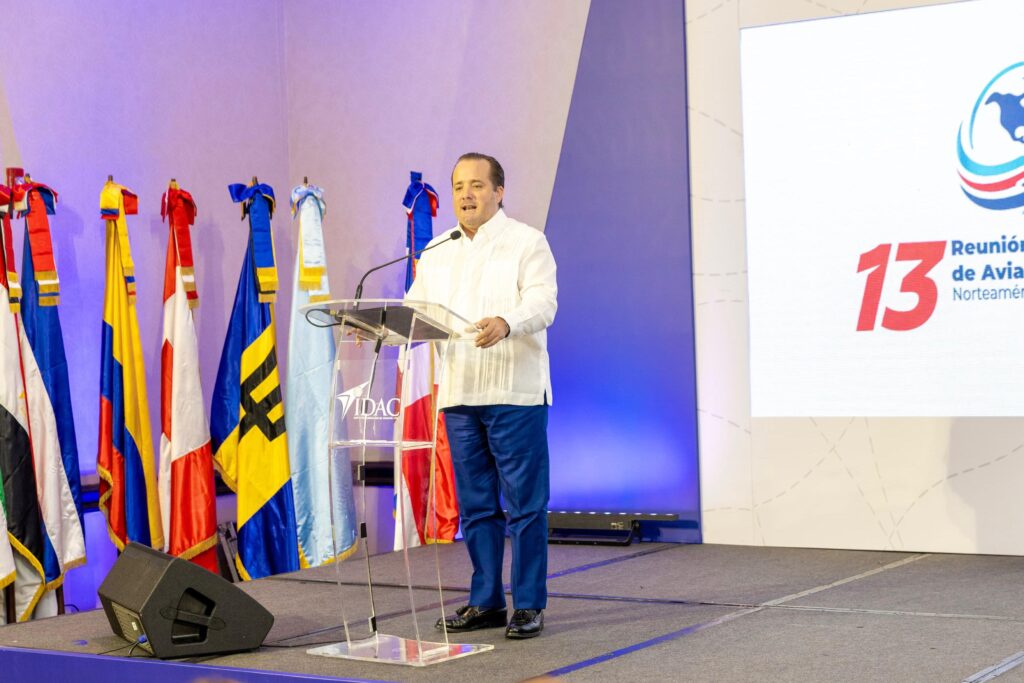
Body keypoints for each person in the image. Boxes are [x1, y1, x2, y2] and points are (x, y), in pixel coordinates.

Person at [405, 152, 557, 639]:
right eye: (458, 187)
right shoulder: (438, 249)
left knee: (525, 506)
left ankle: (528, 604)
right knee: (476, 507)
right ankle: (486, 601)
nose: (465, 195)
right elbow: (414, 310)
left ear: (499, 191)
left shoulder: (527, 241)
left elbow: (543, 301)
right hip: (460, 393)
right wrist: (377, 327)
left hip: (514, 392)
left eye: (476, 185)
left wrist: (507, 322)